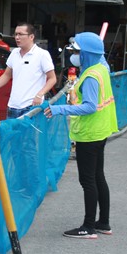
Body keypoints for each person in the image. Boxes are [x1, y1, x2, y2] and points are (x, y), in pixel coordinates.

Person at [45, 32, 118, 239]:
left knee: (88, 180)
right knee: (98, 177)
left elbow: (89, 107)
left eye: (77, 51)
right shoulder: (101, 68)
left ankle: (88, 226)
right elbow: (98, 55)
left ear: (86, 54)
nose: (74, 54)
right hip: (99, 131)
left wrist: (60, 110)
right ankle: (103, 222)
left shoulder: (91, 77)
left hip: (89, 134)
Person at [0, 22, 56, 119]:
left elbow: (52, 78)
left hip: (31, 107)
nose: (17, 37)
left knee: (30, 135)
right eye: (15, 34)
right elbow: (7, 75)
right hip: (12, 106)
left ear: (31, 37)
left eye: (20, 34)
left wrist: (40, 95)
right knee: (11, 134)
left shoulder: (42, 54)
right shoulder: (14, 53)